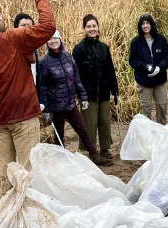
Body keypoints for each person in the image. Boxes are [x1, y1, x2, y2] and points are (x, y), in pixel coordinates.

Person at [0, 0, 55, 196]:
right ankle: (28, 219)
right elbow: (48, 27)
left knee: (5, 172)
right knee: (27, 171)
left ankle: (6, 218)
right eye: (0, 16)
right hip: (23, 115)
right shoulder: (11, 37)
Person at [38, 30, 112, 166]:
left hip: (70, 103)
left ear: (60, 40)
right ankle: (61, 161)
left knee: (82, 129)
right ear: (46, 43)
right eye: (49, 39)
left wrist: (83, 97)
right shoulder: (44, 62)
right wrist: (46, 110)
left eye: (55, 38)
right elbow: (42, 87)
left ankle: (94, 155)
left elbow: (76, 79)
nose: (53, 41)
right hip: (56, 106)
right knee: (59, 135)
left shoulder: (68, 57)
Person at [72, 14, 119, 160]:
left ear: (98, 28)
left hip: (104, 92)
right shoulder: (79, 49)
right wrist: (78, 93)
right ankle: (91, 152)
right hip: (87, 95)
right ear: (84, 29)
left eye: (94, 26)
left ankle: (105, 149)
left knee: (105, 122)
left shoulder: (104, 47)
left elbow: (110, 70)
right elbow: (75, 73)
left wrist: (115, 90)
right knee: (89, 124)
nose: (92, 29)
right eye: (89, 27)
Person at [129, 14, 168, 125]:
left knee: (162, 105)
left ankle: (162, 130)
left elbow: (167, 58)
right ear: (140, 26)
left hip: (159, 80)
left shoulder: (160, 39)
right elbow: (133, 60)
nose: (145, 26)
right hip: (144, 81)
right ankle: (147, 133)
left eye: (147, 23)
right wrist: (145, 66)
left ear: (151, 24)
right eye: (142, 23)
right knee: (146, 109)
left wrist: (159, 67)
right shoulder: (136, 42)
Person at [13, 12, 40, 87]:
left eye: (29, 26)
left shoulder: (33, 47)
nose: (27, 28)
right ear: (16, 27)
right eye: (23, 25)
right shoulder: (10, 46)